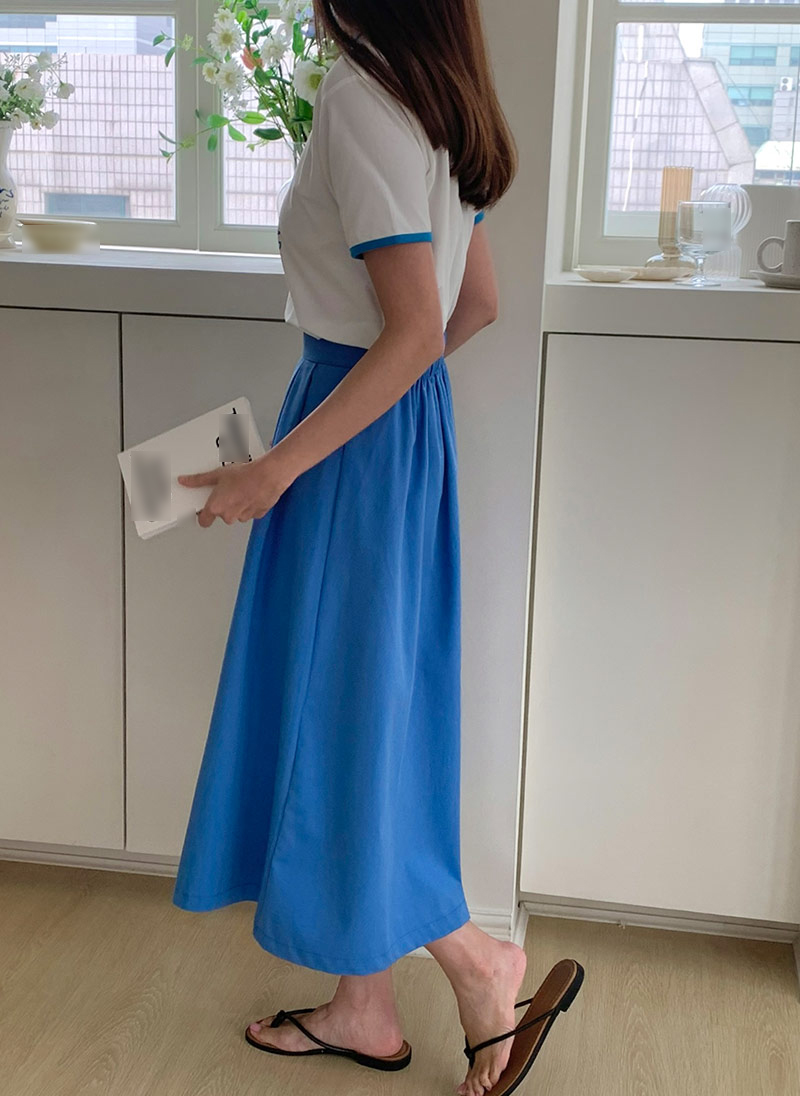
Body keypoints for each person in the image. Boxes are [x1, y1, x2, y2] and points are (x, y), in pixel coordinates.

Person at [170, 3, 577, 1094]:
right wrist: (387, 409)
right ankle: (362, 1003)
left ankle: (479, 963)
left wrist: (278, 465)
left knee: (342, 717)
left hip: (352, 435)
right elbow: (474, 304)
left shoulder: (360, 97)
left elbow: (411, 331)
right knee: (364, 712)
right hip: (393, 433)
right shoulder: (435, 97)